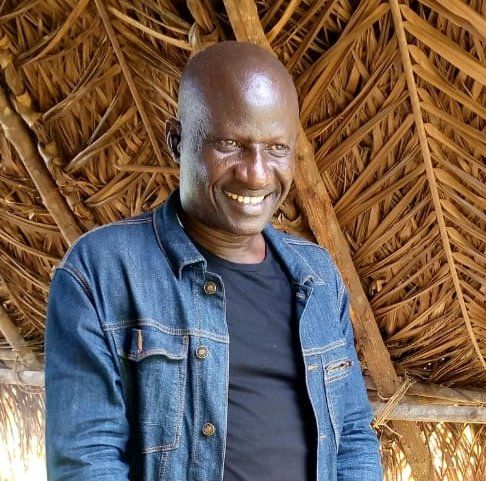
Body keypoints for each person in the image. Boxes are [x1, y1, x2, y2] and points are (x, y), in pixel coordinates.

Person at [45, 41, 382, 481]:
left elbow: (353, 436)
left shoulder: (317, 277)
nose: (256, 173)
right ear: (176, 141)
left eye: (276, 148)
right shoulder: (103, 271)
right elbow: (87, 461)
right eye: (230, 144)